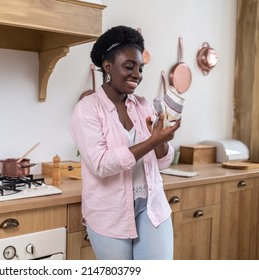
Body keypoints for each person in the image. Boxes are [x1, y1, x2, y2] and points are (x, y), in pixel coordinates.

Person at [69, 25, 181, 260]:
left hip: (152, 208)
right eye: (129, 67)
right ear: (108, 67)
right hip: (109, 214)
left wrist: (162, 140)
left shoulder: (143, 105)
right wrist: (152, 141)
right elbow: (101, 164)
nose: (137, 75)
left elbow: (163, 162)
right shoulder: (87, 109)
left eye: (140, 69)